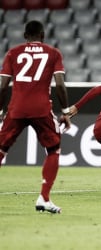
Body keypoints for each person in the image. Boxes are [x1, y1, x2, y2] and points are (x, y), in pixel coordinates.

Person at [0, 20, 71, 213]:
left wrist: (0, 111)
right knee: (54, 149)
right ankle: (44, 198)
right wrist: (65, 112)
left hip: (16, 108)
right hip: (41, 108)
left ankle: (44, 199)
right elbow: (60, 85)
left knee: (1, 148)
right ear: (43, 35)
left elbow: (3, 86)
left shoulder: (13, 53)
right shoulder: (53, 53)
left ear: (25, 36)